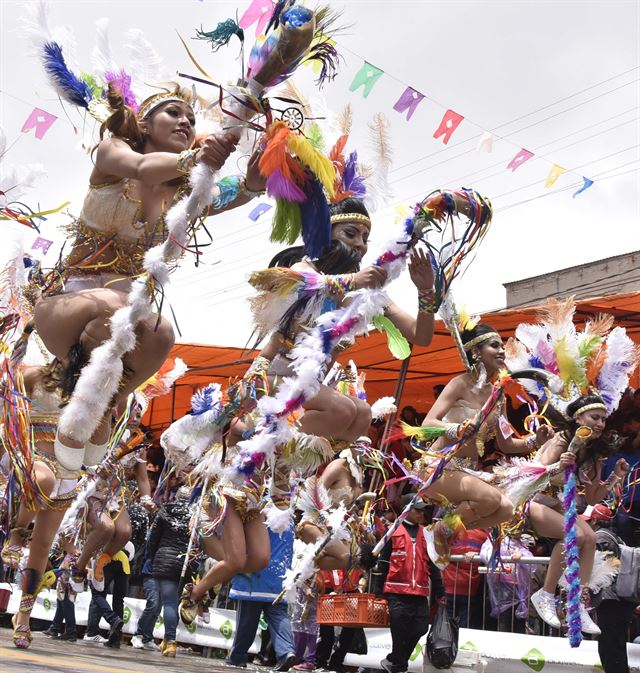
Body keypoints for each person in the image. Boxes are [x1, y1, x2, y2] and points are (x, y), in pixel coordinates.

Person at [420, 323, 552, 561]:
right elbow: (428, 423)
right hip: (438, 466)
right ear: (475, 352)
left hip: (466, 471)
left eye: (502, 346)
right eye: (495, 346)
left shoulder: (498, 394)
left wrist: (536, 440)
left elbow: (507, 444)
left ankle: (443, 530)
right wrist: (456, 429)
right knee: (490, 499)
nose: (502, 351)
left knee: (506, 509)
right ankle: (441, 530)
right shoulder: (459, 383)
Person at [528, 394, 629, 635]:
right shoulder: (560, 442)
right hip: (531, 503)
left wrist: (616, 476)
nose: (601, 424)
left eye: (604, 419)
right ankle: (545, 594)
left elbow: (593, 498)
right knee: (576, 536)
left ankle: (576, 604)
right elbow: (533, 477)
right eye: (595, 417)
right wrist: (557, 466)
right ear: (578, 417)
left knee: (591, 539)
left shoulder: (593, 453)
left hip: (555, 506)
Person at [371, 494, 445, 673]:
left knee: (420, 629)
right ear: (406, 510)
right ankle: (399, 666)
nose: (422, 514)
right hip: (396, 592)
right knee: (399, 632)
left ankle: (394, 660)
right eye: (418, 510)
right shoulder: (393, 531)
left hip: (420, 592)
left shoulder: (426, 534)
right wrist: (377, 591)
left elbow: (433, 565)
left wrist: (440, 591)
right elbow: (383, 562)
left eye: (423, 510)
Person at [225, 526, 296, 672]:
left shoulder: (255, 515)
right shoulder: (289, 520)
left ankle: (238, 656)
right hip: (279, 577)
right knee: (278, 617)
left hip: (254, 577)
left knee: (247, 621)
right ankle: (286, 651)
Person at [591, 507, 639, 673]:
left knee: (610, 648)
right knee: (613, 645)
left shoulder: (601, 537)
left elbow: (608, 570)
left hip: (612, 600)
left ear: (594, 520)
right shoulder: (616, 538)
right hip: (620, 599)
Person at [146, 486, 192, 657]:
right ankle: (167, 640)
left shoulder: (166, 510)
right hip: (185, 563)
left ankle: (170, 641)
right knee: (174, 601)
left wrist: (150, 557)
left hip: (164, 560)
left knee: (170, 603)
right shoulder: (195, 513)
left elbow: (153, 537)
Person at [84, 542, 133, 649]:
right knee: (118, 600)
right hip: (125, 561)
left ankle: (113, 619)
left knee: (97, 594)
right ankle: (115, 640)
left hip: (107, 558)